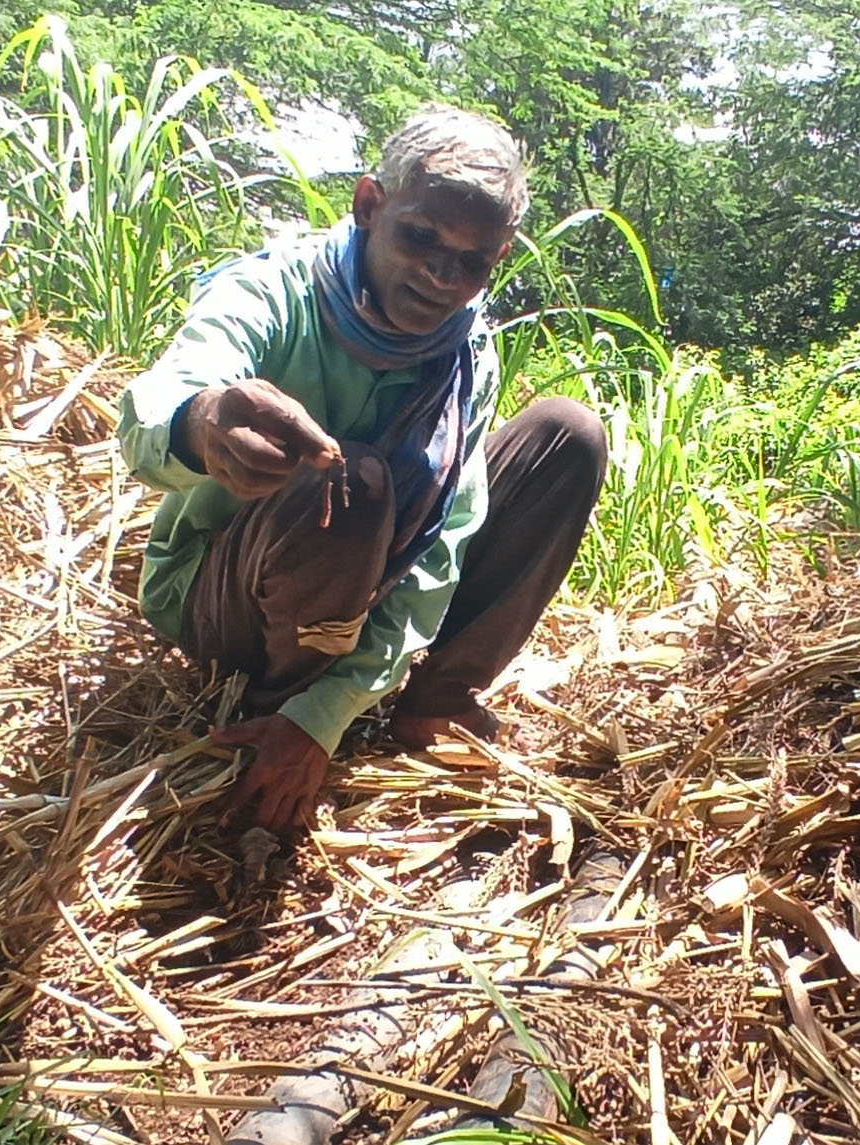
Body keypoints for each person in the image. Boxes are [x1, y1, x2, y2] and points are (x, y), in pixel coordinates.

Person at [117, 105, 606, 831]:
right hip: (229, 597)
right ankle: (274, 704)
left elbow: (447, 533)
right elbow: (156, 407)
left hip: (373, 576)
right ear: (370, 205)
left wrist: (337, 709)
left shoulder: (465, 352)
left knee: (568, 435)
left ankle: (433, 698)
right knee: (352, 482)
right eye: (421, 237)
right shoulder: (275, 291)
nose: (442, 276)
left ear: (496, 260)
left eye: (471, 261)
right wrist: (200, 423)